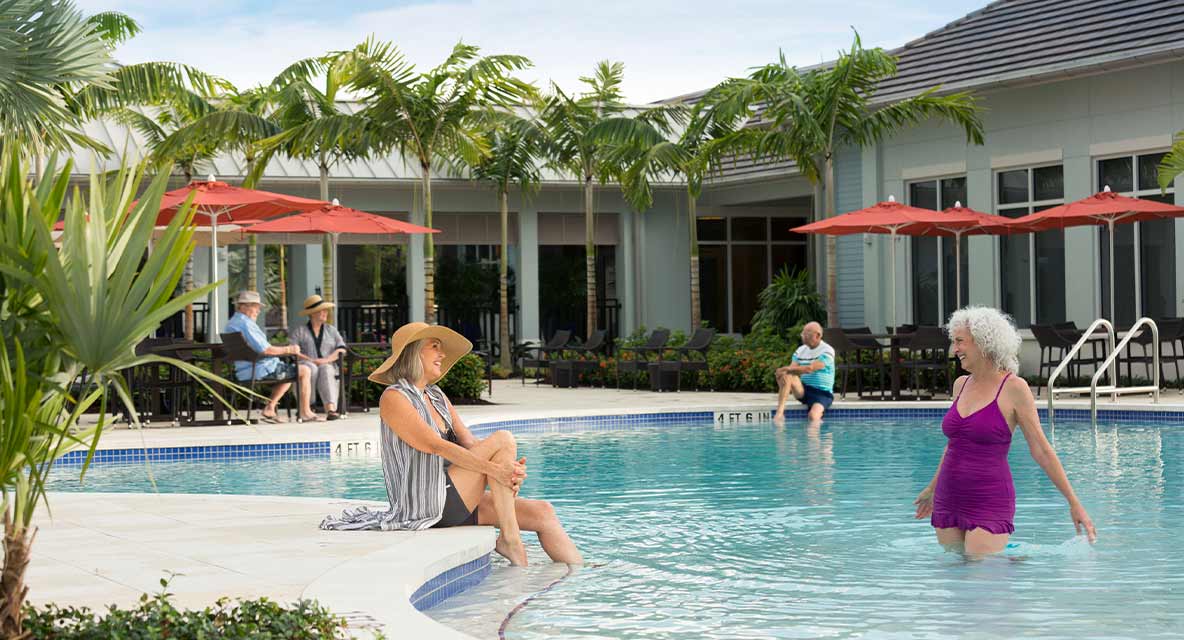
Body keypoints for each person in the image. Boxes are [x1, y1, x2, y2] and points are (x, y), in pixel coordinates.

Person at [320, 322, 583, 567]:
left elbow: (470, 443)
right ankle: (511, 541)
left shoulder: (435, 396)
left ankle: (579, 581)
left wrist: (508, 469)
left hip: (453, 496)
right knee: (503, 438)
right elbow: (436, 446)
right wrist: (496, 470)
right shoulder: (394, 397)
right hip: (426, 503)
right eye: (434, 346)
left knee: (543, 513)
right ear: (413, 353)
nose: (442, 354)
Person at [913, 306, 1097, 555]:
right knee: (956, 580)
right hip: (949, 495)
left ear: (983, 343)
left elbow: (1041, 449)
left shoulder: (1014, 388)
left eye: (959, 342)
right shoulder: (961, 385)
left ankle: (1017, 563)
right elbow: (954, 444)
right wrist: (932, 489)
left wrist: (1074, 503)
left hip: (989, 497)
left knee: (986, 582)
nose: (954, 350)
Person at [224, 290, 308, 423]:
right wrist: (289, 349)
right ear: (244, 307)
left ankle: (271, 406)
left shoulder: (232, 323)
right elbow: (266, 349)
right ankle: (304, 412)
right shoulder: (246, 324)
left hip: (243, 371)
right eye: (256, 307)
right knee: (303, 370)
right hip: (259, 369)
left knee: (289, 369)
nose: (258, 311)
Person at [288, 295, 348, 421]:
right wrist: (311, 360)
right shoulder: (300, 331)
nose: (325, 313)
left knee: (326, 369)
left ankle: (331, 409)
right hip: (307, 364)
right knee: (311, 368)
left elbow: (341, 348)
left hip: (328, 364)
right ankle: (308, 406)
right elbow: (293, 351)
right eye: (322, 310)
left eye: (325, 310)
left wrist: (326, 360)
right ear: (313, 314)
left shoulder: (331, 330)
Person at [773, 322, 835, 426]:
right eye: (803, 334)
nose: (803, 336)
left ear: (818, 335)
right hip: (804, 390)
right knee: (787, 374)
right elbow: (792, 370)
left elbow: (810, 369)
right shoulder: (800, 350)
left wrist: (785, 369)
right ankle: (779, 414)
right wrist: (781, 374)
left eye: (807, 334)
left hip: (822, 393)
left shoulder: (827, 350)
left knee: (813, 416)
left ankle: (815, 440)